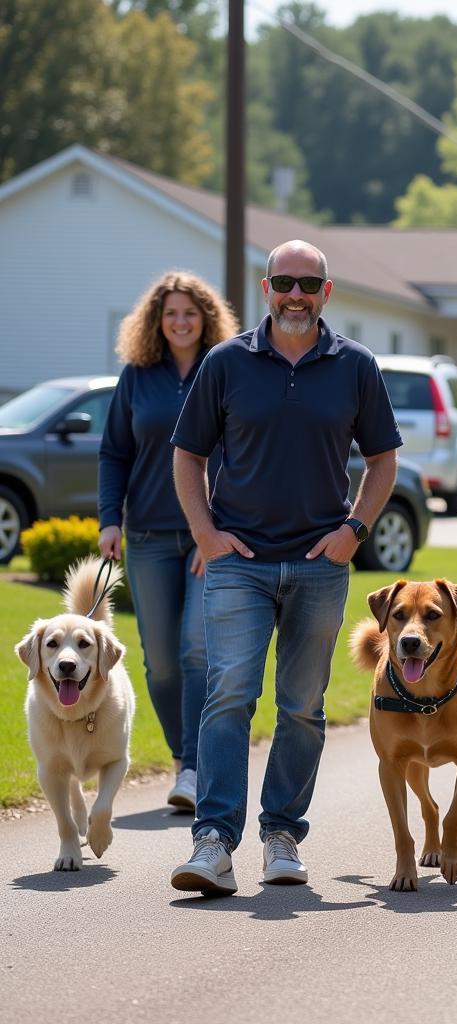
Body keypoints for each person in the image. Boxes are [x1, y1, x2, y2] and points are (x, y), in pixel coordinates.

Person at [169, 240, 402, 895]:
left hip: (320, 568)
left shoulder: (355, 366)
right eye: (283, 282)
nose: (295, 294)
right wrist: (206, 534)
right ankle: (213, 842)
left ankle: (281, 836)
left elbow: (384, 458)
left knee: (301, 707)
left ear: (327, 292)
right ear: (265, 288)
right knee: (229, 697)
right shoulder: (226, 362)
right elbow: (187, 455)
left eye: (308, 283)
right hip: (238, 563)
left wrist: (355, 530)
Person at [98, 272, 239, 811]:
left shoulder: (224, 371)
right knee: (159, 660)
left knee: (197, 650)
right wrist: (111, 519)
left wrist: (213, 528)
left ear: (207, 319)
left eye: (191, 313)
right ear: (157, 321)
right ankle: (185, 759)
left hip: (207, 536)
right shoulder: (137, 377)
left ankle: (193, 768)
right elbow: (114, 452)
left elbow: (235, 455)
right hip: (150, 536)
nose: (181, 322)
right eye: (171, 314)